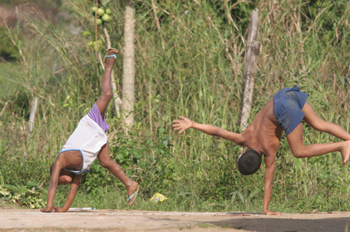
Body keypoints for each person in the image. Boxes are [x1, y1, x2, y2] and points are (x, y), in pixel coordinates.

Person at [173, 85, 350, 215]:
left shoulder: (269, 151)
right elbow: (217, 132)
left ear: (258, 167)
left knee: (299, 151)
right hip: (282, 95)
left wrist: (265, 209)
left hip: (284, 109)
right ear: (243, 152)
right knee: (319, 124)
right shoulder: (243, 138)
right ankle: (348, 140)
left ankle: (341, 145)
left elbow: (268, 182)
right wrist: (192, 124)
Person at [41, 49, 139, 213]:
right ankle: (130, 183)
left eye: (60, 182)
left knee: (107, 95)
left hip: (90, 124)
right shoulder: (77, 170)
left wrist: (49, 206)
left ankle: (109, 64)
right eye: (61, 184)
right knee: (106, 162)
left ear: (56, 173)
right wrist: (64, 209)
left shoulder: (60, 161)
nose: (61, 183)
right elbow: (74, 190)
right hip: (96, 139)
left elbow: (52, 183)